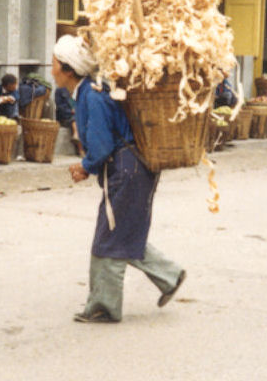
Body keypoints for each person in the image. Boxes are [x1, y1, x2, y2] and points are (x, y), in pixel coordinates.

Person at [51, 34, 185, 323]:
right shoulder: (88, 91)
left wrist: (85, 166)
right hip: (133, 167)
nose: (51, 68)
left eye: (54, 63)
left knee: (108, 237)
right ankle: (170, 276)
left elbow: (100, 146)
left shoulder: (93, 95)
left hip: (127, 170)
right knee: (123, 232)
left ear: (67, 69)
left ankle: (103, 307)